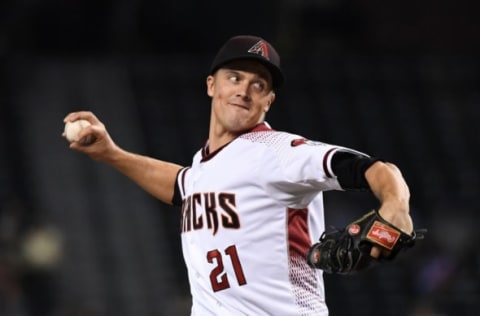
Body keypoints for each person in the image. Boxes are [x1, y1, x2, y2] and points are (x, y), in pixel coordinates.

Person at [63, 35, 414, 315]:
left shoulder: (280, 151)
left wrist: (396, 204)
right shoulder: (204, 164)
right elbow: (183, 185)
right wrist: (112, 154)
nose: (244, 91)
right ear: (211, 85)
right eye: (234, 77)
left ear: (269, 101)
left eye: (258, 84)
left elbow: (375, 169)